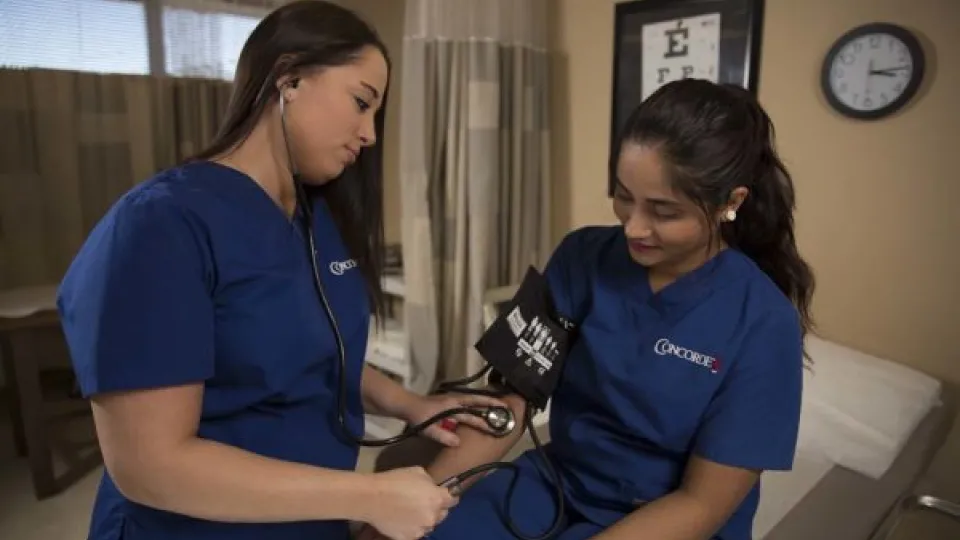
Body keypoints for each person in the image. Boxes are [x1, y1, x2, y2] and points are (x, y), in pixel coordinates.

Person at [56, 2, 507, 540]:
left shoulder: (314, 218)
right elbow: (149, 466)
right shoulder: (161, 224)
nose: (370, 135)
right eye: (361, 103)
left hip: (308, 523)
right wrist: (372, 494)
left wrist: (413, 404)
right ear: (288, 79)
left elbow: (304, 347)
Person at [358, 78, 816, 540]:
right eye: (623, 196)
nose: (634, 227)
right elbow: (510, 405)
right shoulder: (582, 257)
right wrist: (416, 507)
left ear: (730, 203)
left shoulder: (762, 322)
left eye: (663, 211)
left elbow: (701, 504)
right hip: (556, 486)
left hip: (667, 520)